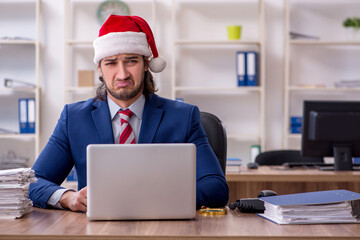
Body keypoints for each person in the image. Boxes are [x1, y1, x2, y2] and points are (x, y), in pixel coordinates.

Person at [29, 15, 229, 212]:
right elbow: (32, 183)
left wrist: (153, 198)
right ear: (99, 68)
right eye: (111, 63)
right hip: (96, 231)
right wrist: (68, 197)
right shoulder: (74, 118)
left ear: (146, 65)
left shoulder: (183, 117)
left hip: (163, 228)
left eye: (131, 61)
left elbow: (215, 187)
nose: (122, 74)